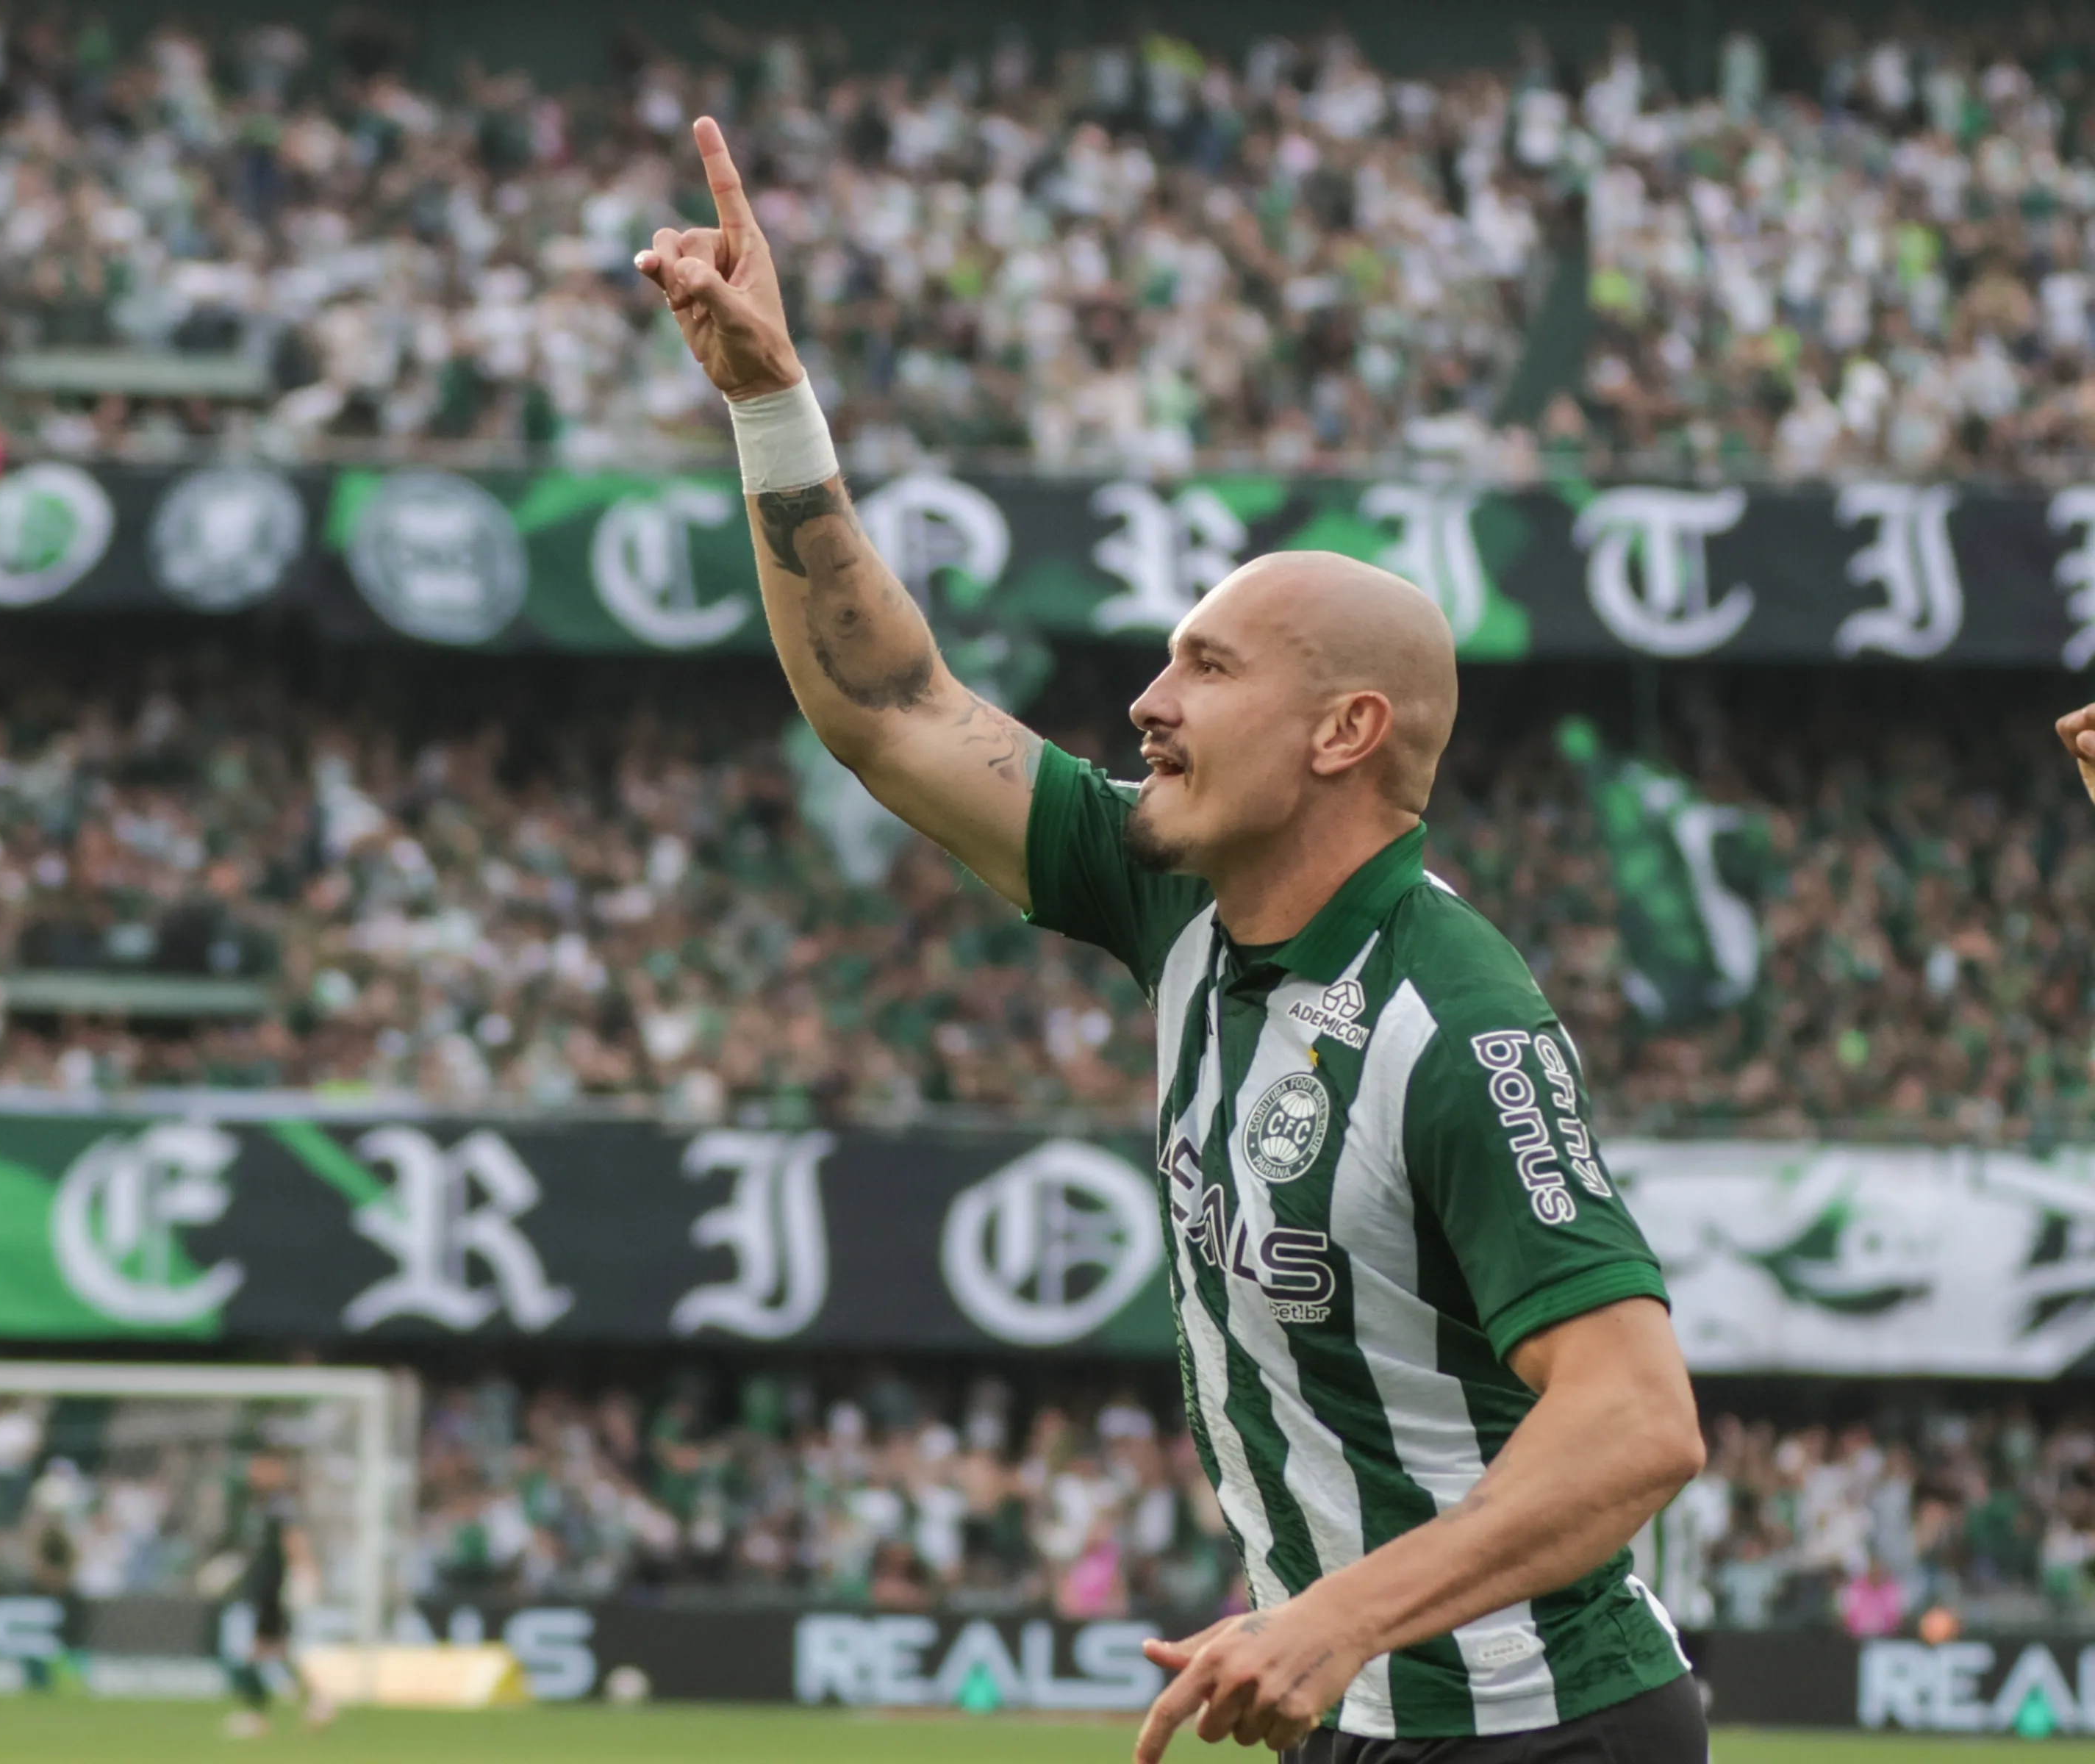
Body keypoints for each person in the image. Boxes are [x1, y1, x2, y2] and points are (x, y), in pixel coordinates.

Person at [637, 118, 1709, 1763]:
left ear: (1344, 732)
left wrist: (1337, 1616)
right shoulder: (1180, 899)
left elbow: (1637, 1423)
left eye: (1207, 669)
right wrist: (771, 405)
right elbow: (891, 708)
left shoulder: (1456, 1026)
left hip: (1541, 1733)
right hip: (1352, 1711)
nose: (1146, 704)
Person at [221, 1449, 334, 1737]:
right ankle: (314, 1701)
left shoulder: (281, 1505)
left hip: (271, 1591)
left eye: (261, 1466)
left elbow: (294, 1539)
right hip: (259, 1590)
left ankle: (260, 1713)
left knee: (247, 1649)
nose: (254, 1472)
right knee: (270, 1651)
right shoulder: (256, 1504)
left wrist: (307, 1572)